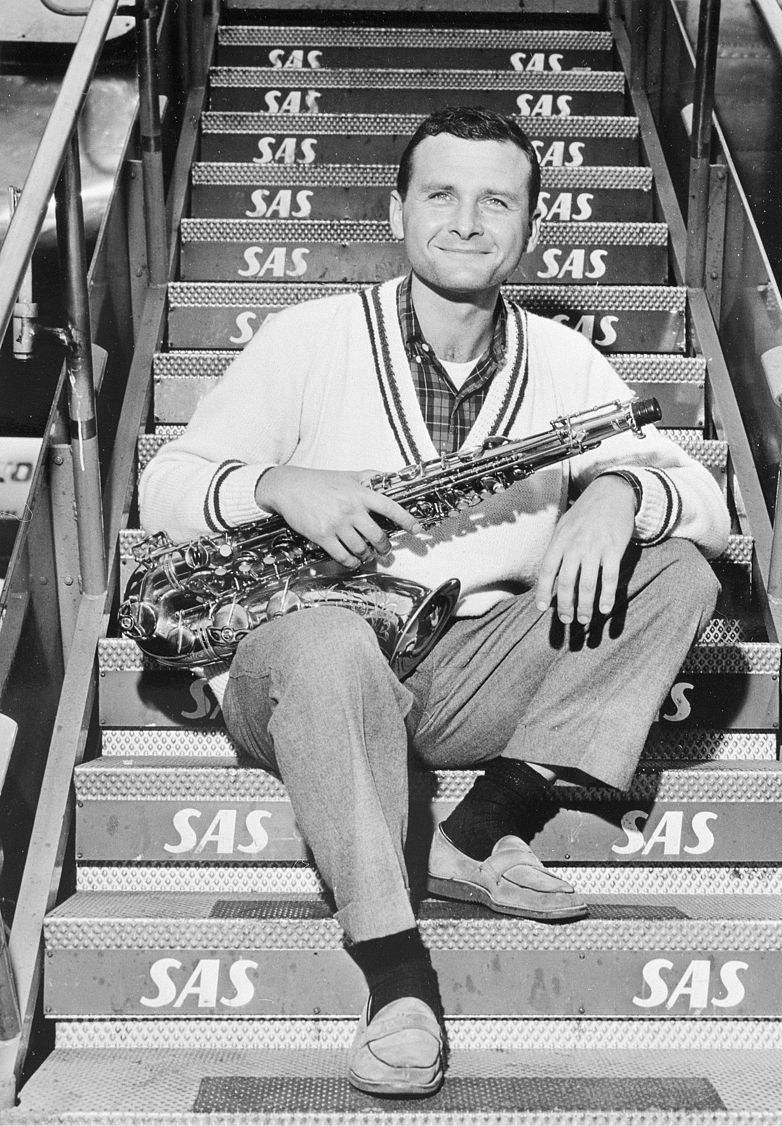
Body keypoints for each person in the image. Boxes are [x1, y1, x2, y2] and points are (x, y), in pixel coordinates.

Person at [140, 106, 729, 1097]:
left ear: (529, 226)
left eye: (494, 200)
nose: (466, 220)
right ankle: (397, 977)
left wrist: (621, 495)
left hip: (466, 670)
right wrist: (278, 485)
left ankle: (479, 825)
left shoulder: (564, 360)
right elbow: (167, 484)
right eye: (441, 195)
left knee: (679, 568)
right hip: (304, 664)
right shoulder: (305, 338)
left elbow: (704, 503)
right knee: (325, 643)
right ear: (397, 209)